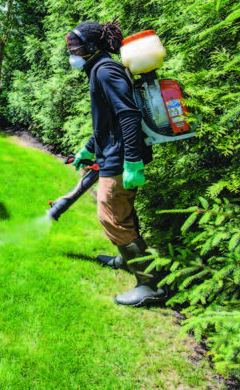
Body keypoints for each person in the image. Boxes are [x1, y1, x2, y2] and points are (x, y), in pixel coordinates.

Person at [65, 19, 167, 307]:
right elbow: (106, 122)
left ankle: (150, 285)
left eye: (75, 46)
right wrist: (88, 149)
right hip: (114, 153)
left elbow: (128, 116)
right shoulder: (99, 69)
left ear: (92, 46)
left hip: (121, 159)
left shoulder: (105, 70)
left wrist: (132, 161)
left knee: (111, 217)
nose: (71, 52)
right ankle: (126, 259)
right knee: (120, 214)